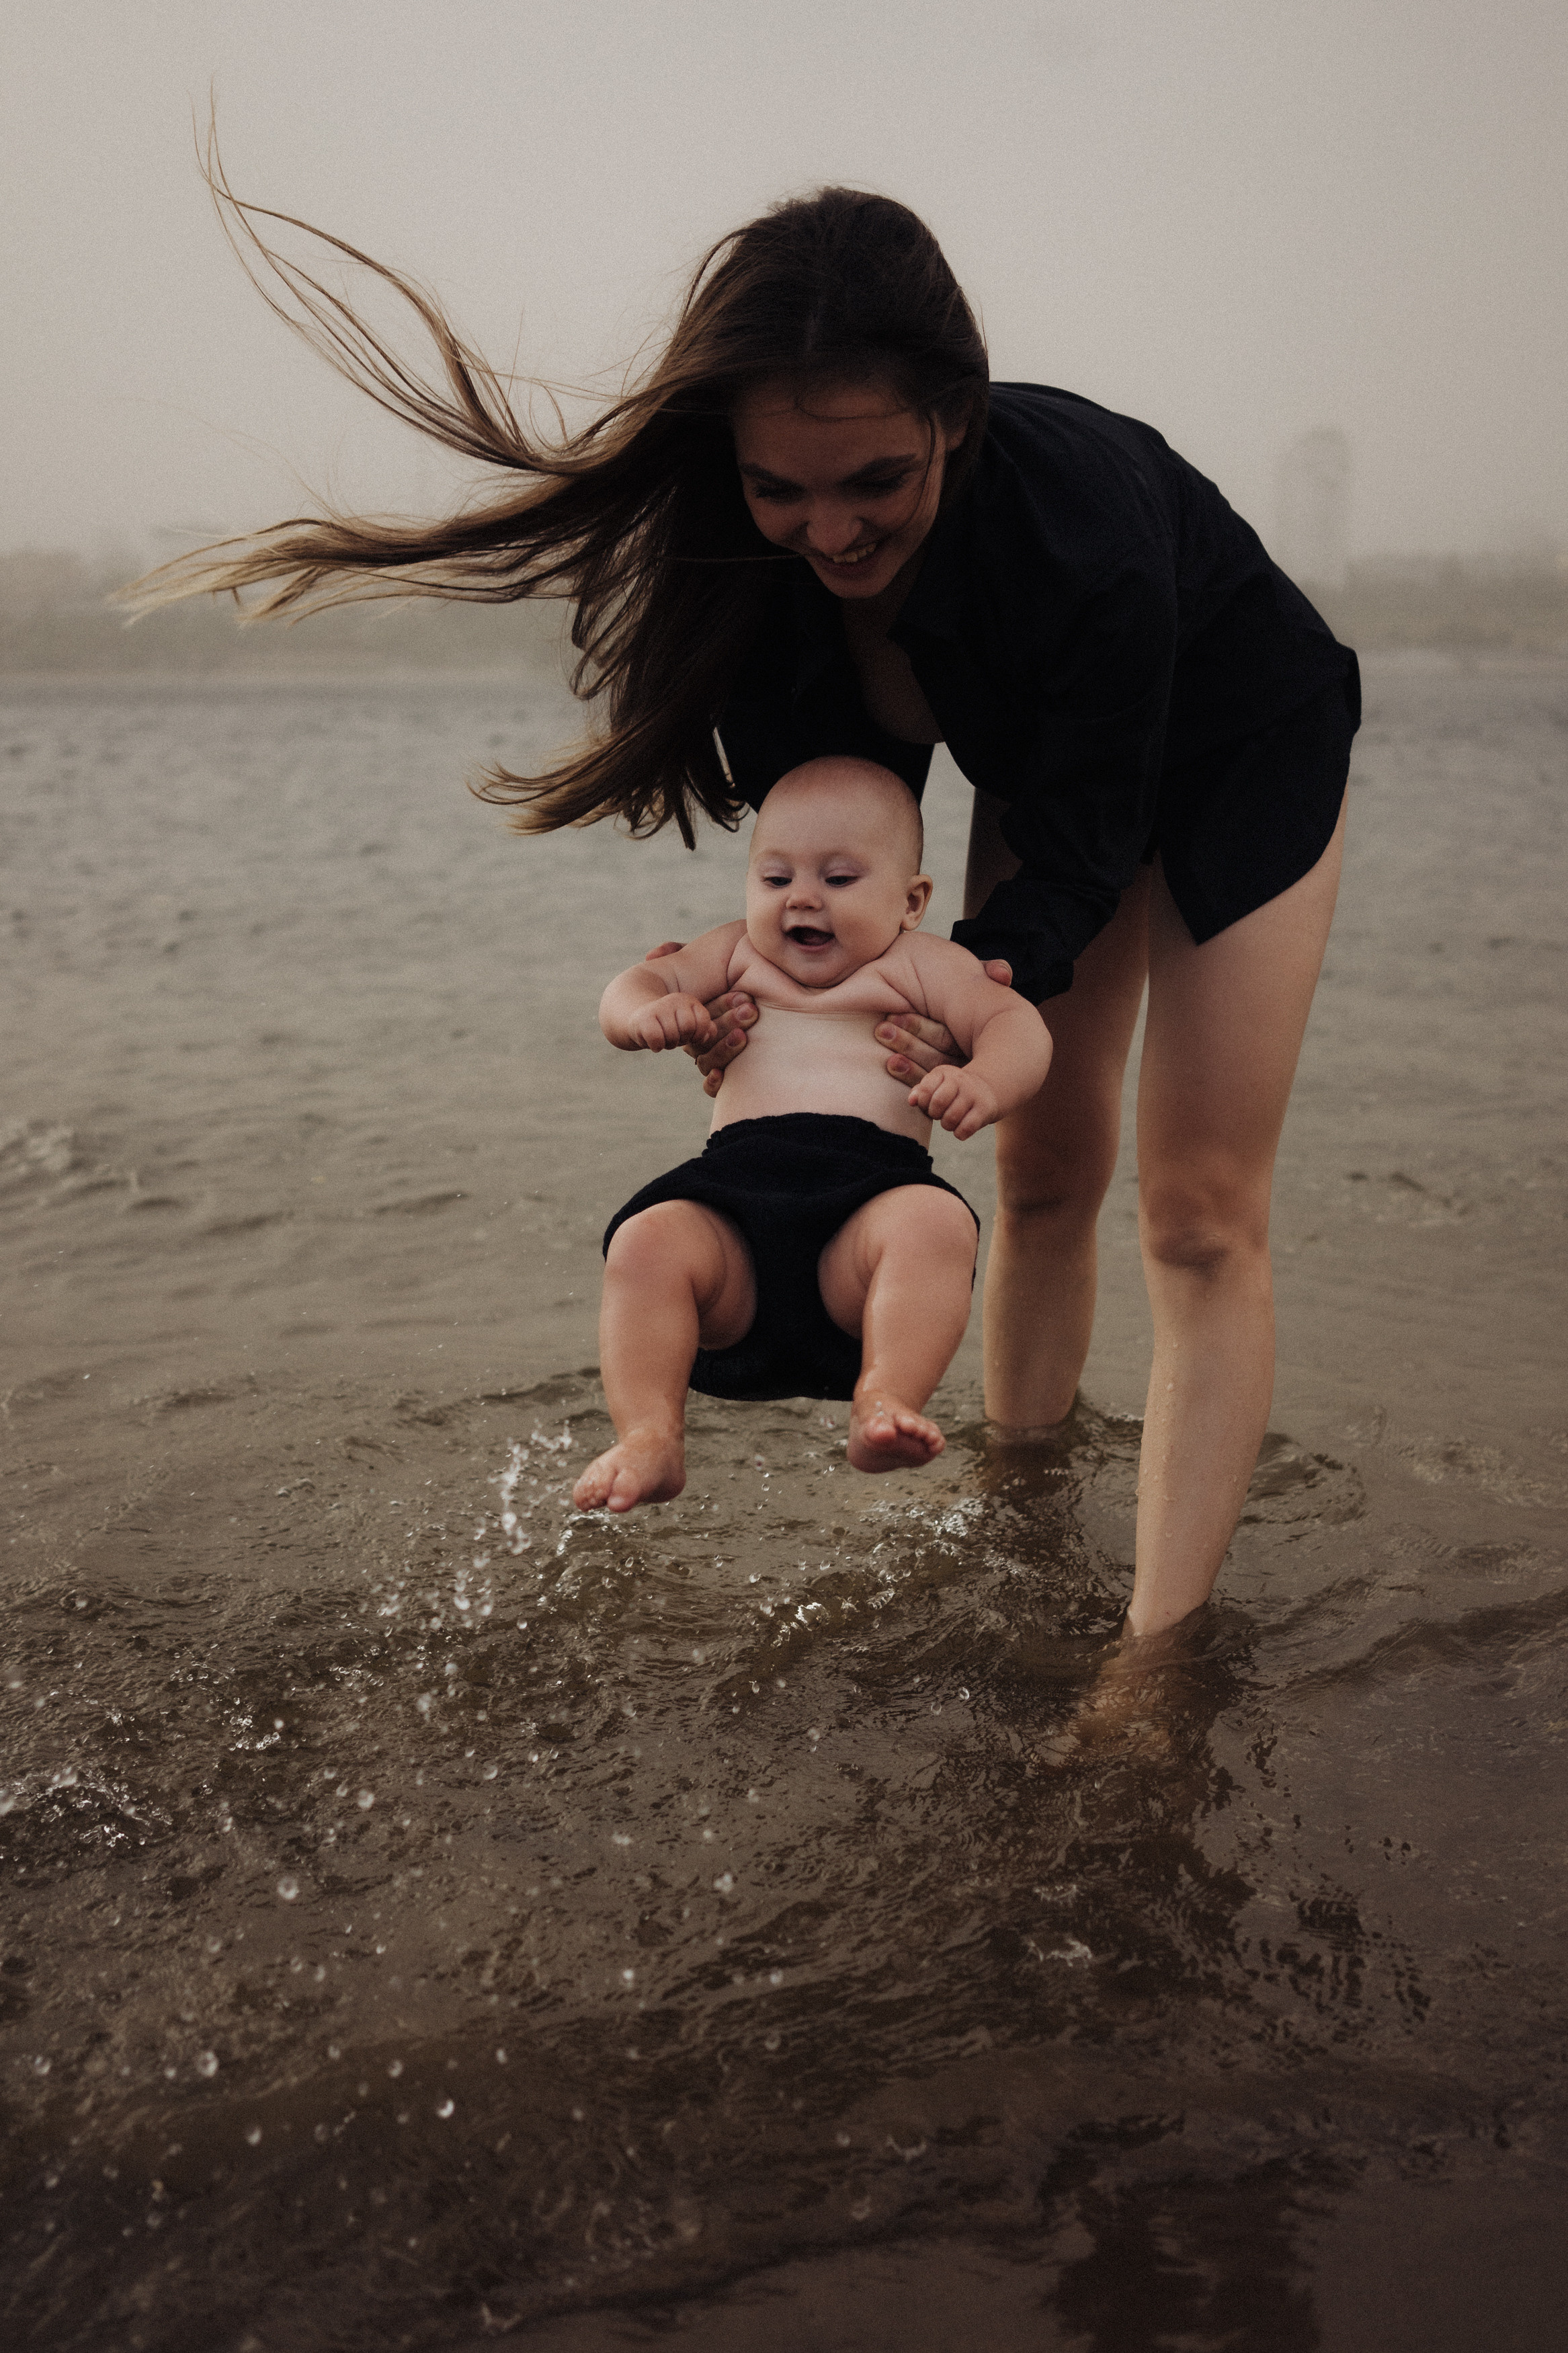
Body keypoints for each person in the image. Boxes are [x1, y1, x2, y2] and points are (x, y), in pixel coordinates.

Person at [134, 163, 1359, 1640]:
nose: (827, 535)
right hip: (1056, 771)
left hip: (1240, 743)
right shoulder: (766, 560)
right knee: (1039, 1169)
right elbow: (826, 845)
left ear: (951, 421)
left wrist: (959, 987)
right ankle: (1025, 1510)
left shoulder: (1079, 532)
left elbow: (1087, 855)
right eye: (778, 488)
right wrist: (778, 1020)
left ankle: (1147, 1672)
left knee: (1194, 1210)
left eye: (873, 486)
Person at [571, 756, 1052, 1514]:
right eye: (774, 879)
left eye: (838, 878)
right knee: (646, 1238)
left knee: (934, 1219)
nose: (802, 898)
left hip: (857, 1235)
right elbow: (637, 984)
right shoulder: (733, 953)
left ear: (910, 900)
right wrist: (641, 1015)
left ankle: (883, 1398)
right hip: (732, 1217)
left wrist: (984, 1080)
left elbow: (1012, 1023)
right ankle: (649, 1436)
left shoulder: (925, 966)